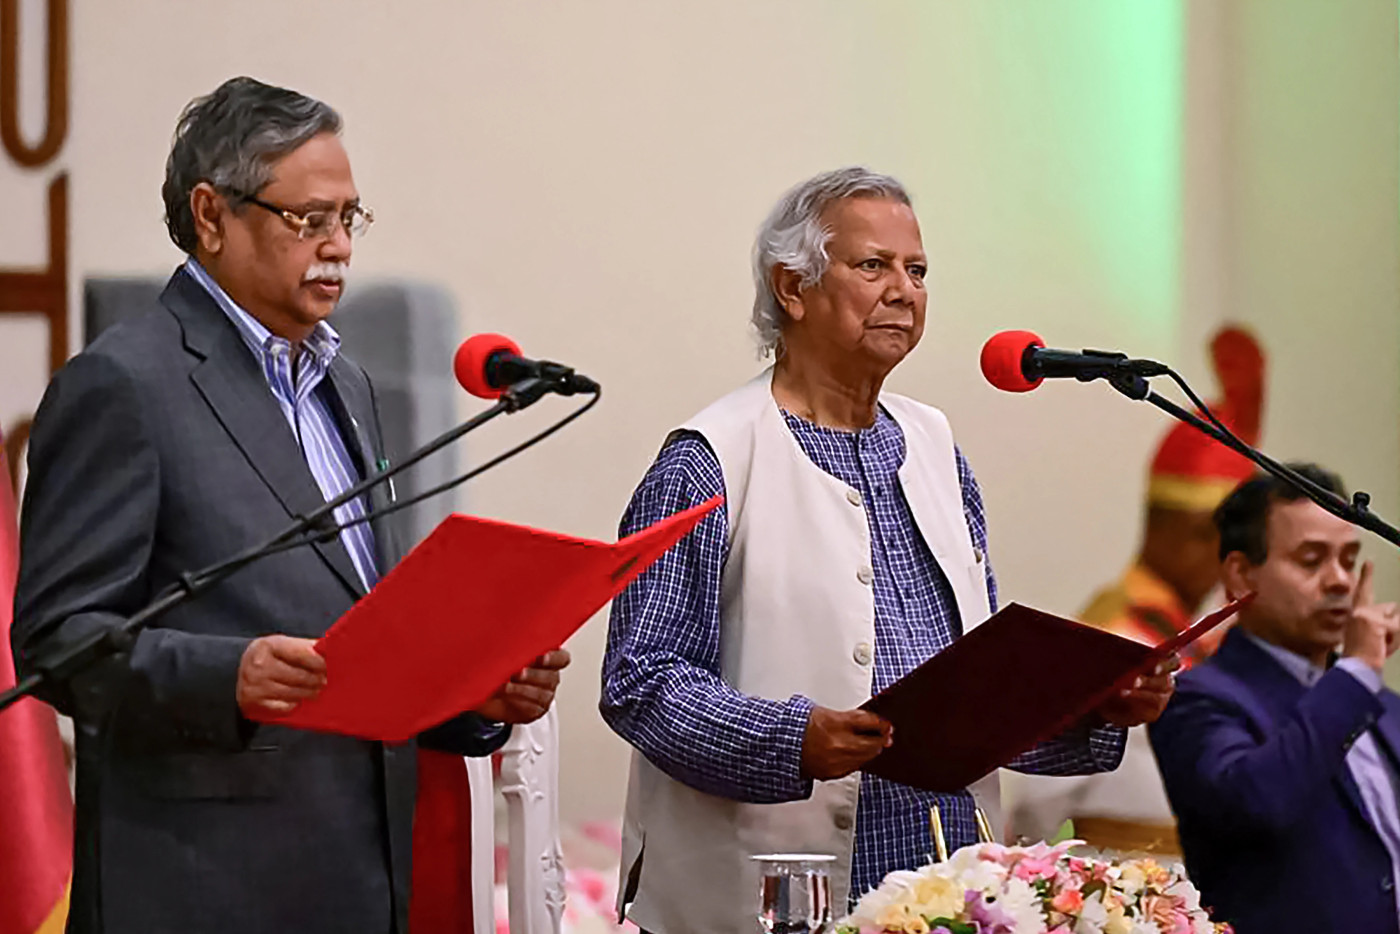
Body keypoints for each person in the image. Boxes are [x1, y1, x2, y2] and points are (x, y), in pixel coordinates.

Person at [11, 76, 569, 934]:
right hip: (202, 888)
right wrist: (224, 677)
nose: (339, 246)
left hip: (355, 875)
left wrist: (469, 696)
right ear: (212, 215)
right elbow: (57, 641)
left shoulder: (345, 383)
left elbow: (350, 630)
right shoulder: (124, 385)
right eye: (308, 219)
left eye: (350, 217)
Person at [599, 167, 1175, 934]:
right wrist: (791, 739)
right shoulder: (710, 460)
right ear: (792, 288)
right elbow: (641, 682)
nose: (903, 290)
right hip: (772, 897)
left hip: (945, 891)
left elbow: (977, 698)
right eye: (872, 266)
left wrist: (1097, 712)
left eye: (918, 270)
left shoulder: (936, 448)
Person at [1005, 326, 1265, 855]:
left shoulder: (1204, 640)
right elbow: (1039, 799)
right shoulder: (1118, 634)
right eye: (1216, 541)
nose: (1223, 566)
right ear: (1179, 532)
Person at [1149, 464, 1400, 934]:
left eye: (1348, 559)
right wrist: (1356, 672)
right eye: (1311, 560)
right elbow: (1254, 802)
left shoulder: (1381, 704)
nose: (1340, 582)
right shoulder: (1199, 698)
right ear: (1242, 575)